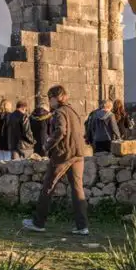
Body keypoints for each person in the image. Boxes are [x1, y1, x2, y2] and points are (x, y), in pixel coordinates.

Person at [23, 85, 89, 236]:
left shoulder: (59, 112)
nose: (49, 102)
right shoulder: (73, 110)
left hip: (63, 154)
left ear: (55, 98)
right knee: (77, 189)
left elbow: (61, 130)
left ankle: (38, 223)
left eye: (49, 98)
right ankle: (82, 226)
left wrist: (47, 144)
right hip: (78, 154)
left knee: (48, 186)